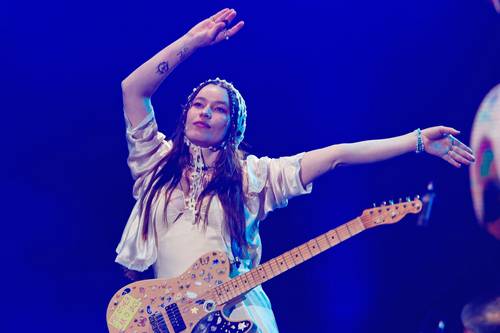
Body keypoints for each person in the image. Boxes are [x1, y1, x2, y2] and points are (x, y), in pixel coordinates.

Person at [115, 8, 476, 333]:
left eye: (219, 109)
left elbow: (337, 155)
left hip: (239, 316)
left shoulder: (253, 176)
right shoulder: (155, 165)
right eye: (198, 104)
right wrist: (193, 41)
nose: (205, 113)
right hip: (172, 322)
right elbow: (133, 90)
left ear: (234, 127)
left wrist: (414, 141)